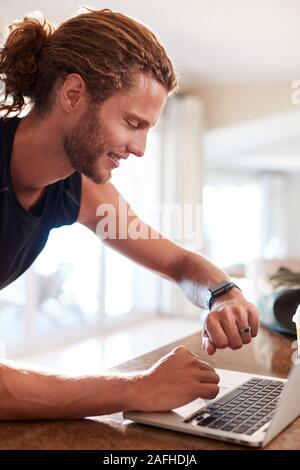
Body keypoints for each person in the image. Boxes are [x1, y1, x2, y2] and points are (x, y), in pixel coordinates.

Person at [0, 8, 259, 420]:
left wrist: (222, 294)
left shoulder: (80, 190)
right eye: (132, 122)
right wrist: (135, 388)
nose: (139, 149)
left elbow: (175, 261)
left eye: (147, 130)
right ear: (72, 94)